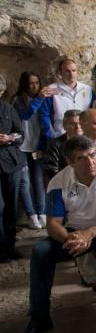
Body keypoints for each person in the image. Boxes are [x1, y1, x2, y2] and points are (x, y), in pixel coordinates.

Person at [12, 136, 96, 333]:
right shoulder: (58, 182)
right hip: (72, 233)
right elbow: (53, 223)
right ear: (70, 163)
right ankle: (39, 317)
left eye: (93, 155)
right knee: (41, 253)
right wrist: (70, 238)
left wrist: (89, 234)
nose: (90, 162)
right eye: (82, 158)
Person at [12, 71, 51, 229]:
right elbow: (25, 115)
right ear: (24, 84)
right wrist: (39, 99)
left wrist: (43, 146)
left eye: (36, 83)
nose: (34, 86)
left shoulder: (44, 100)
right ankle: (31, 215)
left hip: (37, 146)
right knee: (24, 182)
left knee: (39, 181)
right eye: (30, 83)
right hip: (21, 147)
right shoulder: (17, 100)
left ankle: (42, 213)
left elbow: (45, 124)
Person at [39, 58, 94, 141]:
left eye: (74, 70)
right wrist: (51, 135)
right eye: (67, 71)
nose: (71, 74)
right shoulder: (51, 89)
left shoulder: (88, 90)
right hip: (60, 135)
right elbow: (44, 115)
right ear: (60, 73)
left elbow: (93, 113)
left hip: (84, 136)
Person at [0, 94, 25, 261]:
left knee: (11, 207)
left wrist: (9, 138)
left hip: (11, 163)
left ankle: (9, 247)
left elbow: (20, 134)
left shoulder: (8, 109)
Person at [43, 109, 84, 182]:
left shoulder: (91, 142)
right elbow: (51, 170)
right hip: (63, 184)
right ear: (64, 126)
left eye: (80, 123)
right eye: (72, 124)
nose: (77, 127)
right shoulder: (54, 144)